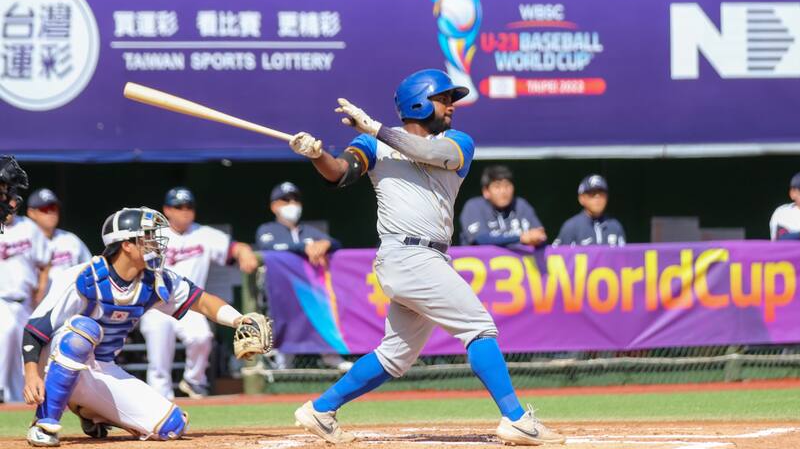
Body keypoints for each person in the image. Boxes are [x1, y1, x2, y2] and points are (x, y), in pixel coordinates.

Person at [286, 69, 564, 445]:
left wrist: (376, 127)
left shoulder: (458, 142)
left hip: (427, 258)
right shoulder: (372, 145)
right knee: (479, 327)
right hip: (407, 255)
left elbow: (428, 152)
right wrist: (318, 155)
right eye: (444, 98)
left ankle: (321, 410)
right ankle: (516, 418)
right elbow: (340, 173)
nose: (451, 106)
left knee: (395, 356)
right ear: (419, 101)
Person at [21, 207, 260, 446]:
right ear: (126, 244)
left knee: (172, 426)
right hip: (52, 361)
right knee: (83, 331)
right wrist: (31, 374)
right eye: (147, 237)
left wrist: (239, 320)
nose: (155, 243)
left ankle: (91, 410)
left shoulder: (155, 279)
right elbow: (35, 328)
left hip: (101, 366)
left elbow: (202, 301)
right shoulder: (84, 277)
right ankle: (44, 423)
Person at [139, 188, 259, 400]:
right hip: (156, 304)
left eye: (188, 207)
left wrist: (245, 251)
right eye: (178, 207)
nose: (184, 212)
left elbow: (234, 247)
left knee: (202, 338)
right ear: (167, 210)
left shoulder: (205, 234)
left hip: (189, 303)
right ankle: (160, 400)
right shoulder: (155, 236)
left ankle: (194, 380)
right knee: (159, 358)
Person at [255, 182, 350, 371]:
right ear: (274, 206)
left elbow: (335, 243)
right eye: (285, 200)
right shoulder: (267, 229)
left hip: (310, 292)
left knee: (325, 308)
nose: (292, 203)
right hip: (279, 293)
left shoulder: (308, 231)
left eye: (295, 200)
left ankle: (330, 355)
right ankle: (282, 366)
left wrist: (325, 244)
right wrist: (304, 248)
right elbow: (268, 248)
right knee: (282, 327)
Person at [1, 159, 51, 404]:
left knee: (26, 353)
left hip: (25, 302)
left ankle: (15, 402)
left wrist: (41, 290)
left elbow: (44, 262)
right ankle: (3, 392)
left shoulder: (29, 228)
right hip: (1, 300)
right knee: (7, 334)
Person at [459, 165, 546, 247]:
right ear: (486, 191)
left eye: (507, 186)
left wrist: (536, 238)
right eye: (497, 187)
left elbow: (540, 235)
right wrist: (520, 238)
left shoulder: (521, 205)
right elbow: (480, 239)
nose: (503, 191)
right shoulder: (474, 206)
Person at [26, 188, 91, 286]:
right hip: (35, 300)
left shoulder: (70, 240)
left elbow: (90, 268)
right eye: (45, 209)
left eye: (53, 208)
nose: (51, 213)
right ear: (31, 213)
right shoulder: (24, 242)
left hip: (69, 298)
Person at [553, 174, 626, 246]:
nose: (597, 198)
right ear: (581, 198)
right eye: (592, 194)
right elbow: (556, 255)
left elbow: (624, 256)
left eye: (601, 194)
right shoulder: (571, 227)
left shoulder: (615, 226)